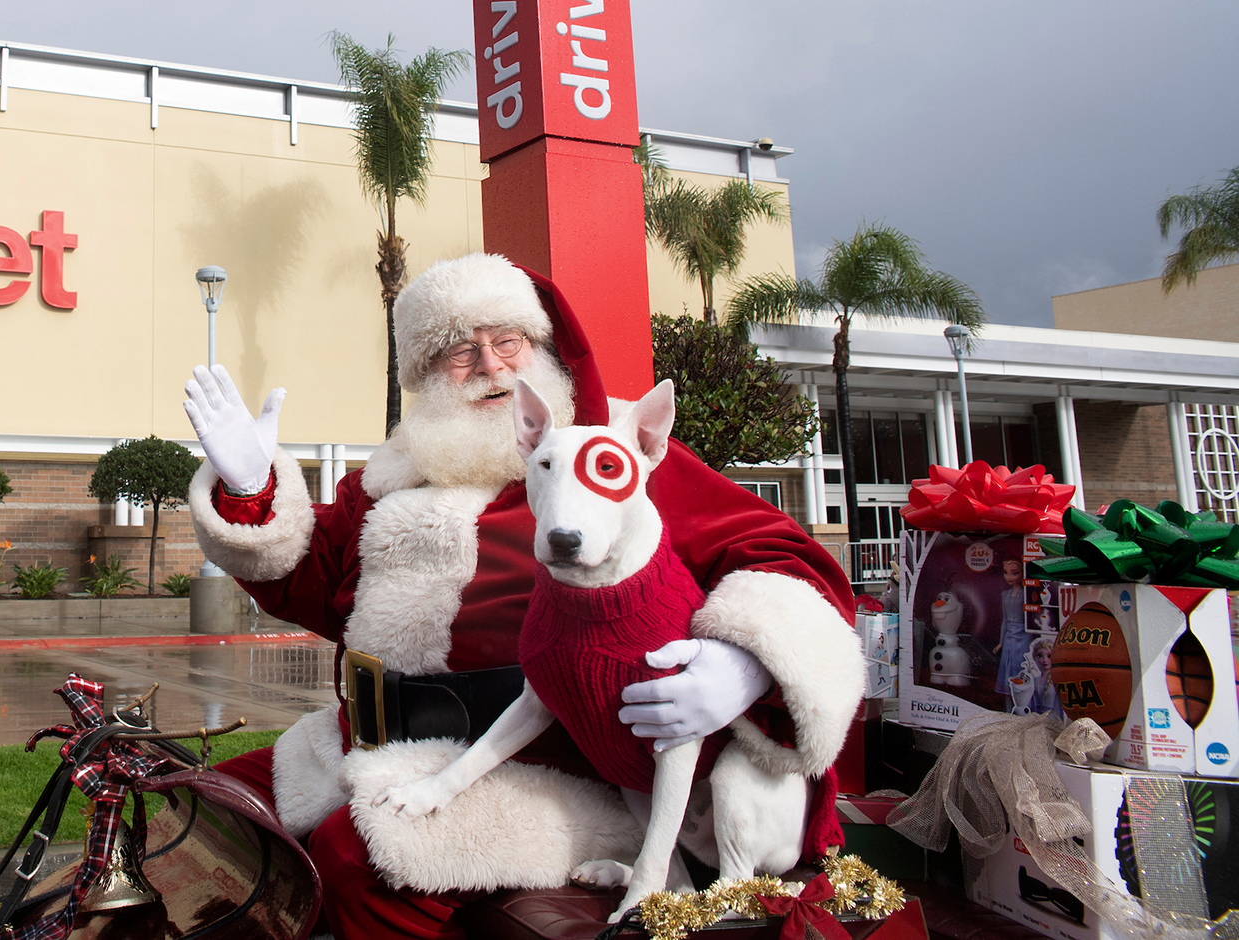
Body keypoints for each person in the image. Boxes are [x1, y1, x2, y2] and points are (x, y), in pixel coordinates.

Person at [181, 253, 862, 940]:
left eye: (507, 340)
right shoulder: (389, 479)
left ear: (542, 350)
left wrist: (742, 664)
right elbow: (309, 582)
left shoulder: (607, 453)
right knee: (204, 808)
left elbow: (781, 558)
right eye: (458, 350)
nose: (489, 364)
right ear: (423, 375)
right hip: (369, 736)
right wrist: (248, 487)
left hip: (553, 762)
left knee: (357, 859)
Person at [993, 558, 1029, 694]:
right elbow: (1004, 619)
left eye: (1014, 573)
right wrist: (1001, 642)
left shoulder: (1026, 594)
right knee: (1008, 668)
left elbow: (1030, 618)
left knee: (1020, 667)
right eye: (1006, 573)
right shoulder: (1005, 594)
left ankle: (1021, 700)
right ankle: (1009, 702)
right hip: (1009, 637)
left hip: (1023, 636)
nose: (1009, 577)